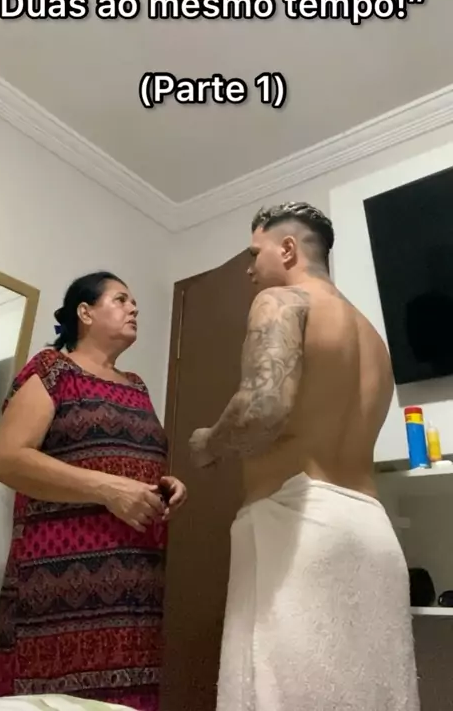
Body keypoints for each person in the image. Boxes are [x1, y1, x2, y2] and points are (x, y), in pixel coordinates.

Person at [190, 202, 419, 711]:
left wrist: (209, 442)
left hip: (297, 528)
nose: (250, 269)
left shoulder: (282, 300)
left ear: (288, 249)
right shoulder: (374, 340)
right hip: (371, 530)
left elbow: (262, 406)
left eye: (256, 253)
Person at [0, 271, 187, 711]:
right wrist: (108, 489)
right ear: (85, 312)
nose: (134, 307)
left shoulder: (137, 385)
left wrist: (166, 484)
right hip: (59, 582)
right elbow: (7, 459)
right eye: (121, 299)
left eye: (134, 302)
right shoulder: (53, 369)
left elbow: (131, 461)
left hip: (136, 585)